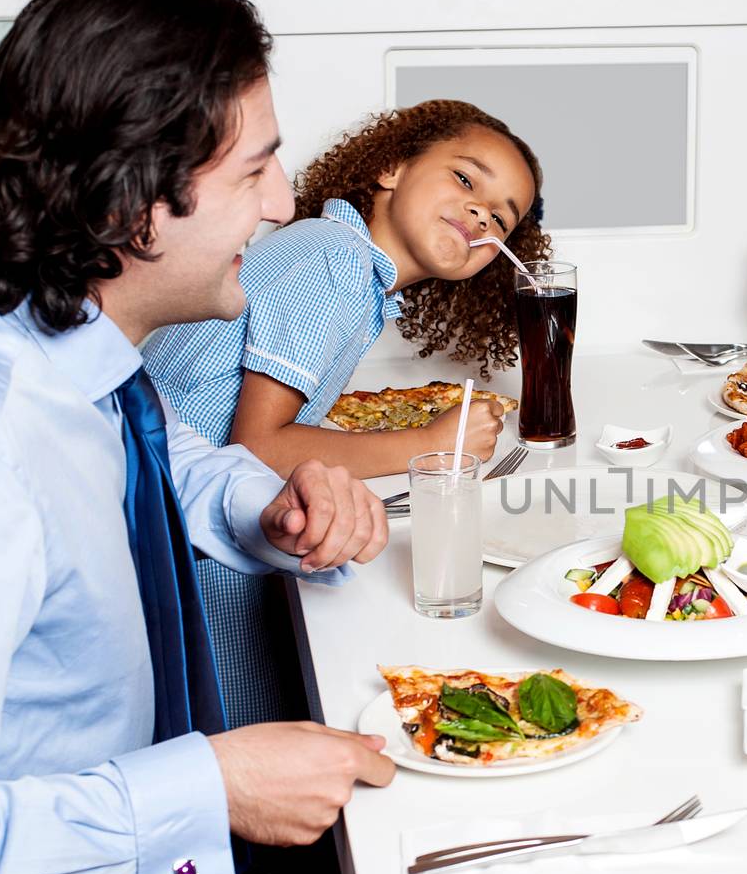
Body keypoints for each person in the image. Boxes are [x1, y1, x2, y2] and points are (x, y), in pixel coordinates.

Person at [0, 0, 396, 874]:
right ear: (137, 201)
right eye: (259, 171)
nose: (284, 205)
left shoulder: (55, 336)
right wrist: (208, 792)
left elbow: (165, 456)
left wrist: (268, 505)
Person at [143, 100, 547, 725]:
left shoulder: (350, 269)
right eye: (465, 180)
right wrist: (435, 444)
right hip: (196, 570)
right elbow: (258, 446)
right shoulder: (330, 264)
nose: (481, 213)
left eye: (501, 218)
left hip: (198, 542)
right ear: (389, 167)